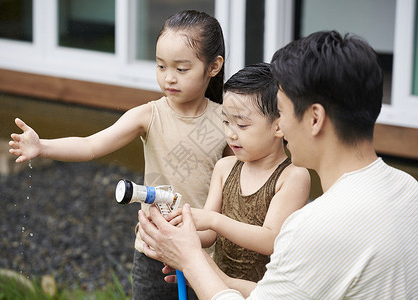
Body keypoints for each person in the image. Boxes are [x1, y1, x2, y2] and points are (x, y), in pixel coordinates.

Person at [137, 30, 418, 300]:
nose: (280, 125)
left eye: (281, 111)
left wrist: (190, 258)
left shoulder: (314, 228)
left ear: (314, 119)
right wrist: (195, 262)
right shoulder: (408, 189)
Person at [9, 10, 231, 300]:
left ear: (213, 67)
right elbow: (90, 145)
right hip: (154, 249)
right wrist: (43, 147)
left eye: (181, 69)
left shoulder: (226, 122)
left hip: (204, 255)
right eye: (161, 66)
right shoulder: (148, 115)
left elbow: (237, 182)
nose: (169, 78)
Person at [168, 62, 310, 283]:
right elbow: (208, 235)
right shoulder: (225, 167)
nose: (231, 134)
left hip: (264, 293)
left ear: (279, 126)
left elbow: (271, 239)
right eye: (226, 122)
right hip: (219, 288)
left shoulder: (292, 177)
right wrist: (176, 238)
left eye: (242, 125)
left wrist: (213, 220)